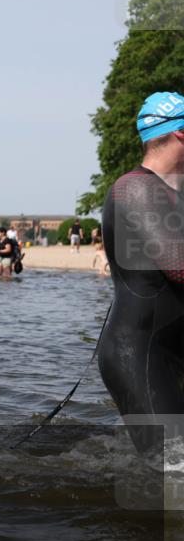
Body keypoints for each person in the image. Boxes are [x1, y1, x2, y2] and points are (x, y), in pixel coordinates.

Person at [97, 91, 184, 453]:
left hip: (173, 350)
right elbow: (180, 267)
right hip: (141, 354)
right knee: (175, 470)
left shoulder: (174, 192)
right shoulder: (135, 188)